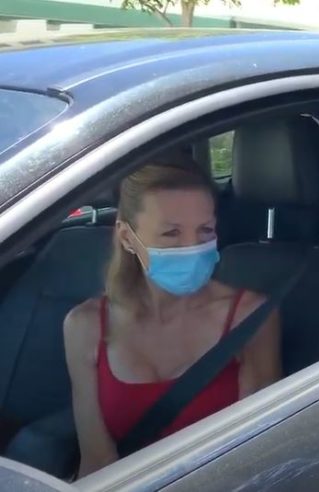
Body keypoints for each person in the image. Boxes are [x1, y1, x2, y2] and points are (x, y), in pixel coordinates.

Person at [64, 160, 282, 477]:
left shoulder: (250, 317)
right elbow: (97, 462)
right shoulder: (84, 327)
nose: (192, 247)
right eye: (171, 233)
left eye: (205, 230)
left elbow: (258, 450)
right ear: (127, 237)